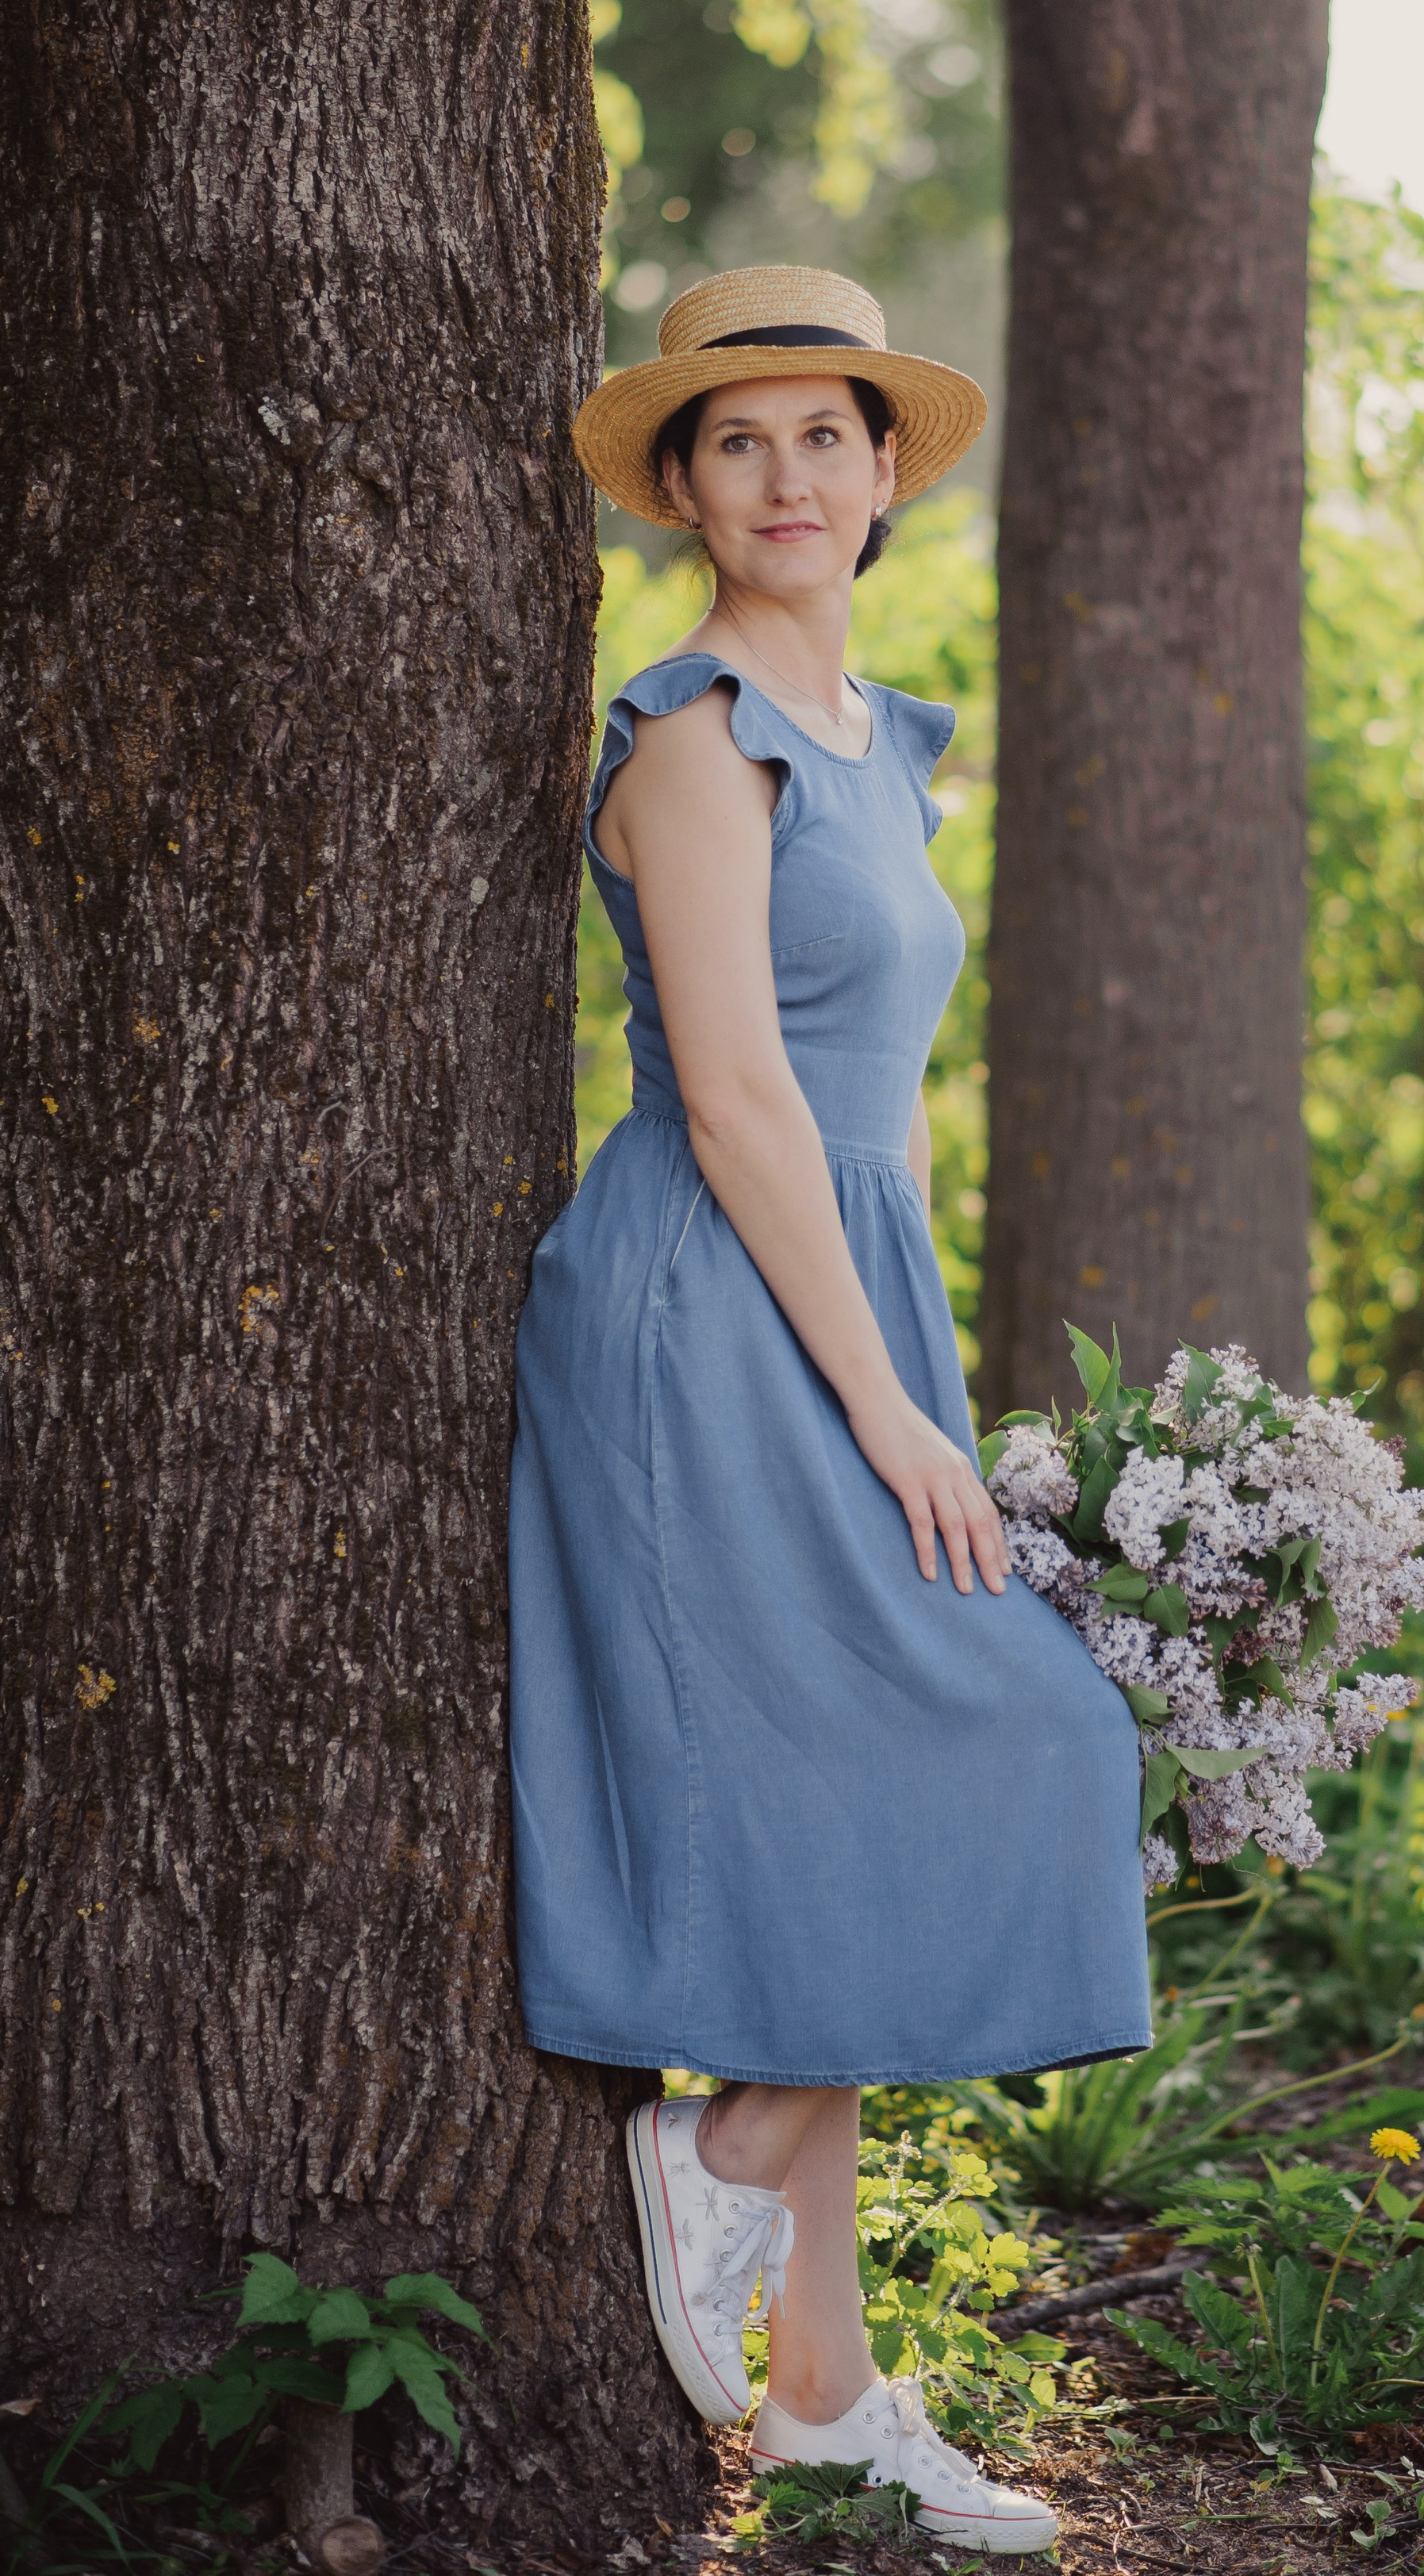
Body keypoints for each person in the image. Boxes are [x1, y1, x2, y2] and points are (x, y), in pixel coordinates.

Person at [511, 265, 1150, 2550]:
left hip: (850, 1277)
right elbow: (747, 1097)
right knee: (1023, 1738)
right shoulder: (689, 739)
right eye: (739, 438)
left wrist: (900, 1352)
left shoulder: (890, 740)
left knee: (852, 1795)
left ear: (887, 475)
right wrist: (888, 1410)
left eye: (827, 434)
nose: (787, 475)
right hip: (715, 1290)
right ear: (684, 485)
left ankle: (824, 2393)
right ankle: (726, 2144)